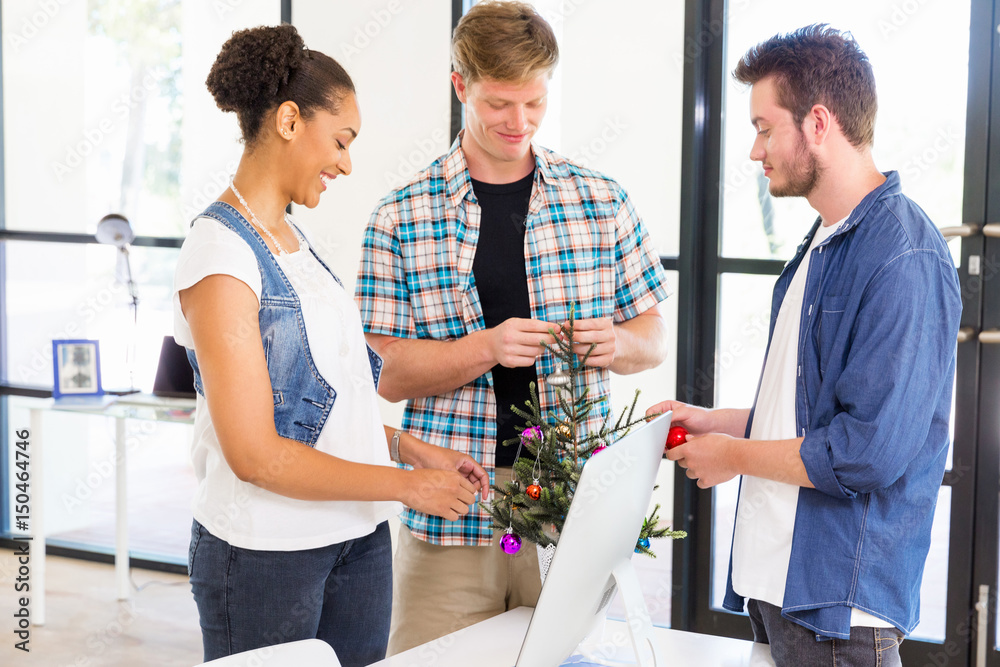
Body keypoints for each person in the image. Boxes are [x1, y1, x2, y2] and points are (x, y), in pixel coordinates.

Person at [355, 0, 671, 654]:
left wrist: (617, 343)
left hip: (569, 506)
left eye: (535, 101)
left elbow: (653, 338)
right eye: (499, 103)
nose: (519, 122)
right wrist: (485, 348)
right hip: (451, 505)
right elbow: (382, 375)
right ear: (460, 86)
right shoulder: (399, 217)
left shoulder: (600, 201)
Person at [173, 25, 488, 666]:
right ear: (290, 121)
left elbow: (316, 406)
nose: (346, 164)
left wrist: (408, 448)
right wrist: (406, 487)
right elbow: (256, 455)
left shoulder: (295, 242)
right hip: (267, 555)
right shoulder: (220, 257)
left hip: (357, 538)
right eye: (341, 141)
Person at [648, 24, 962, 666]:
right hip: (782, 589)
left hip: (840, 611)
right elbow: (812, 415)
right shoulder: (824, 240)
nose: (754, 150)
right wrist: (715, 423)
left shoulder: (904, 259)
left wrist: (733, 455)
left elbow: (865, 453)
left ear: (817, 123)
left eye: (765, 128)